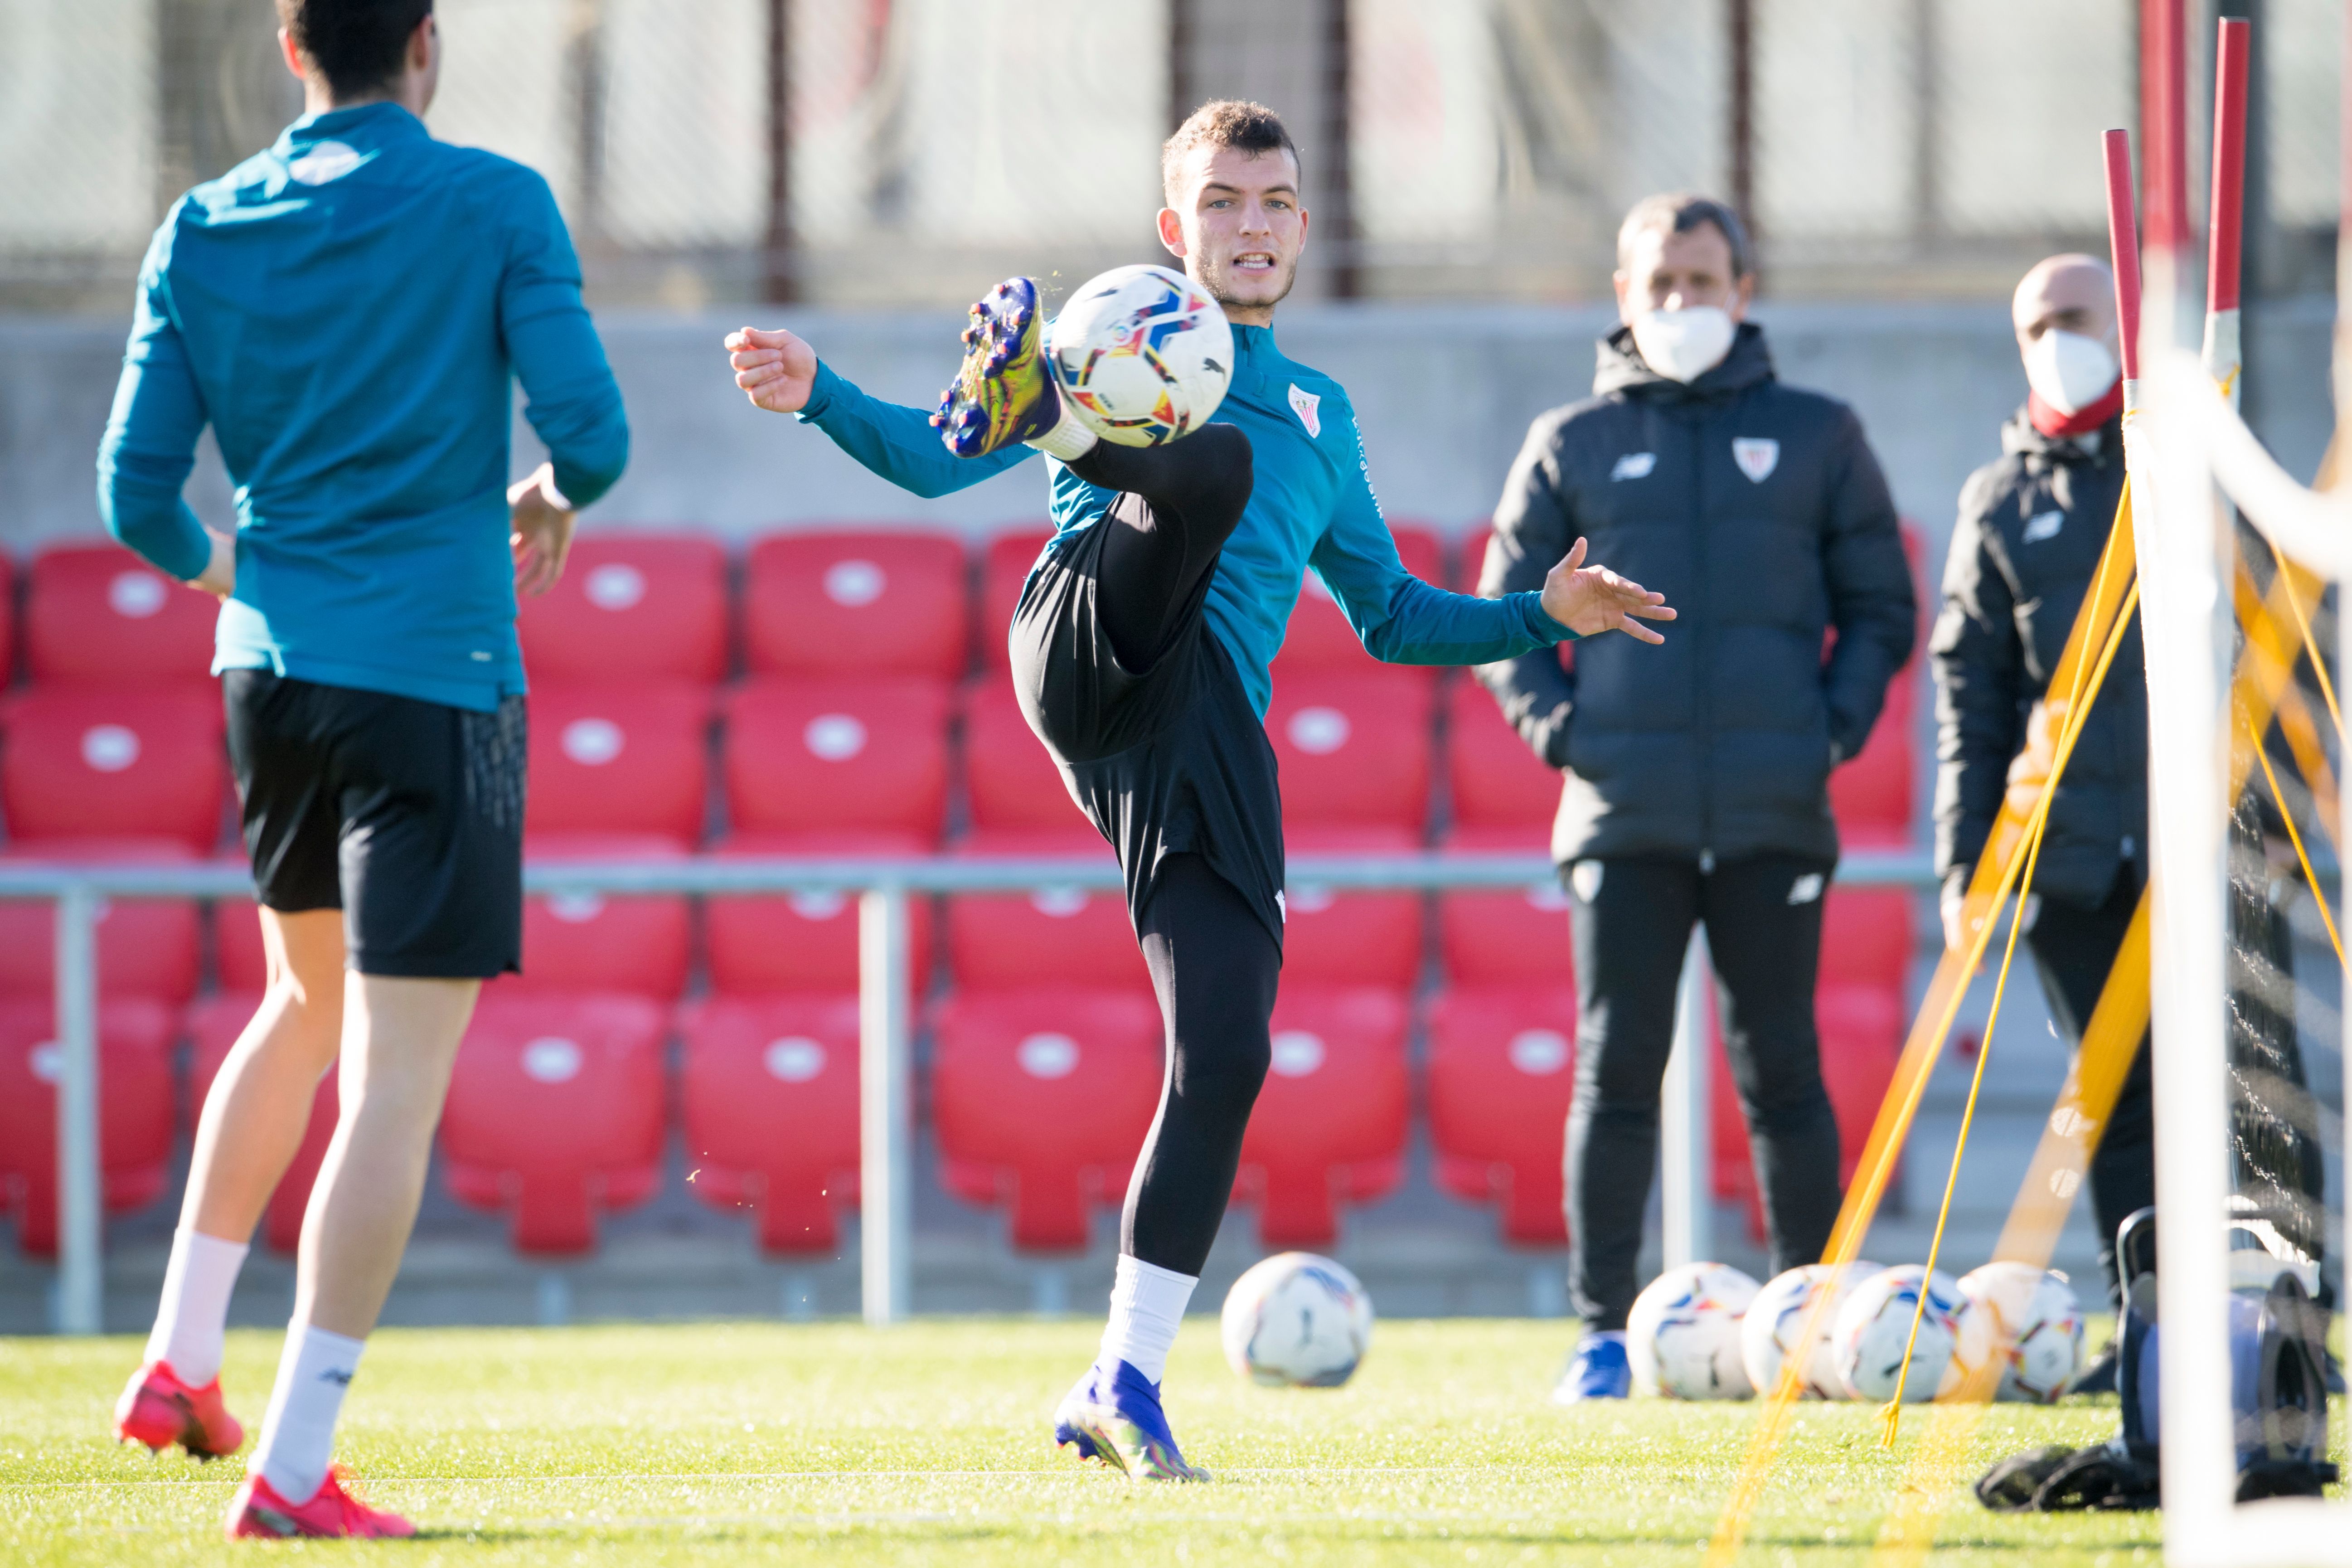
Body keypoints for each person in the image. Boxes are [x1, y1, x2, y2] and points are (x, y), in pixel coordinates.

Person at [726, 99, 1673, 1479]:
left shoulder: (1320, 411)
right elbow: (936, 457)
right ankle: (1058, 433)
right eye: (1221, 202)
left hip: (1198, 730)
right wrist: (817, 390)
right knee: (1206, 467)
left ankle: (1121, 1376)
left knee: (1226, 1051)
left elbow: (1395, 616)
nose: (1251, 225)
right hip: (1087, 628)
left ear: (1300, 225)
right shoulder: (1111, 327)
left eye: (1275, 202)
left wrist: (1542, 610)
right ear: (1175, 230)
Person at [97, 0, 627, 1538]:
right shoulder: (493, 201)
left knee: (299, 1008)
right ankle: (291, 1464)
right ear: (429, 44)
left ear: (290, 47)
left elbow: (138, 500)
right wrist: (539, 493)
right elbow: (592, 440)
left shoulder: (200, 224)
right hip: (435, 677)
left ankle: (177, 1367)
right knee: (395, 1080)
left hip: (270, 675)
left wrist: (235, 577)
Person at [1475, 193, 1915, 1402]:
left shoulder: (1819, 434)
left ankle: (1810, 1324)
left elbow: (1880, 605)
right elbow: (1501, 617)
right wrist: (1564, 735)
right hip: (1622, 810)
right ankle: (1599, 1336)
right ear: (1623, 293)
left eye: (1701, 279)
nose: (1679, 302)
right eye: (1657, 282)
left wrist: (1827, 727)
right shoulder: (1567, 441)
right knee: (1615, 1066)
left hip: (1774, 810)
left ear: (1741, 284)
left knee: (1782, 1066)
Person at [1935, 253, 2328, 1392]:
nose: (2063, 337)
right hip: (2074, 857)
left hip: (2216, 843)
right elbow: (1972, 701)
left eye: (2082, 317)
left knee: (2261, 1088)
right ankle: (2148, 1329)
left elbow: (2291, 647)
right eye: (2042, 322)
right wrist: (1971, 865)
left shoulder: (2203, 464)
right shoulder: (1997, 502)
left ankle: (2294, 1332)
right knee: (2116, 1103)